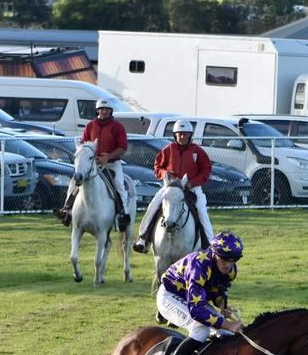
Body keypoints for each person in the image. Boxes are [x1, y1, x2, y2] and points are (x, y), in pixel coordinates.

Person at [152, 232, 245, 355]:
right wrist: (225, 324)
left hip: (193, 299)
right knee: (201, 329)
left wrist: (223, 305)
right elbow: (196, 310)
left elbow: (216, 291)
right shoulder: (199, 265)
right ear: (214, 254)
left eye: (233, 260)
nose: (228, 265)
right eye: (224, 259)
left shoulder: (230, 271)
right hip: (170, 296)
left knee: (228, 335)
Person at [134, 120, 214, 254]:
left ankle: (210, 245)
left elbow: (206, 170)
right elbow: (157, 166)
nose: (182, 137)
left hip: (191, 189)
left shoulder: (198, 151)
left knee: (201, 210)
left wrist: (192, 182)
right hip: (170, 188)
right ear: (175, 135)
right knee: (154, 205)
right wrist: (165, 173)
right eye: (179, 134)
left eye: (185, 134)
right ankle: (143, 239)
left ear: (190, 135)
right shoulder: (168, 149)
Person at [55, 98, 131, 229]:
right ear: (97, 111)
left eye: (106, 109)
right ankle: (67, 210)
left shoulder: (117, 127)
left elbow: (123, 147)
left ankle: (123, 215)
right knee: (74, 182)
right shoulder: (90, 125)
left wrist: (108, 157)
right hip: (93, 164)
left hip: (112, 164)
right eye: (101, 109)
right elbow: (84, 145)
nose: (104, 112)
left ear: (111, 111)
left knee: (119, 185)